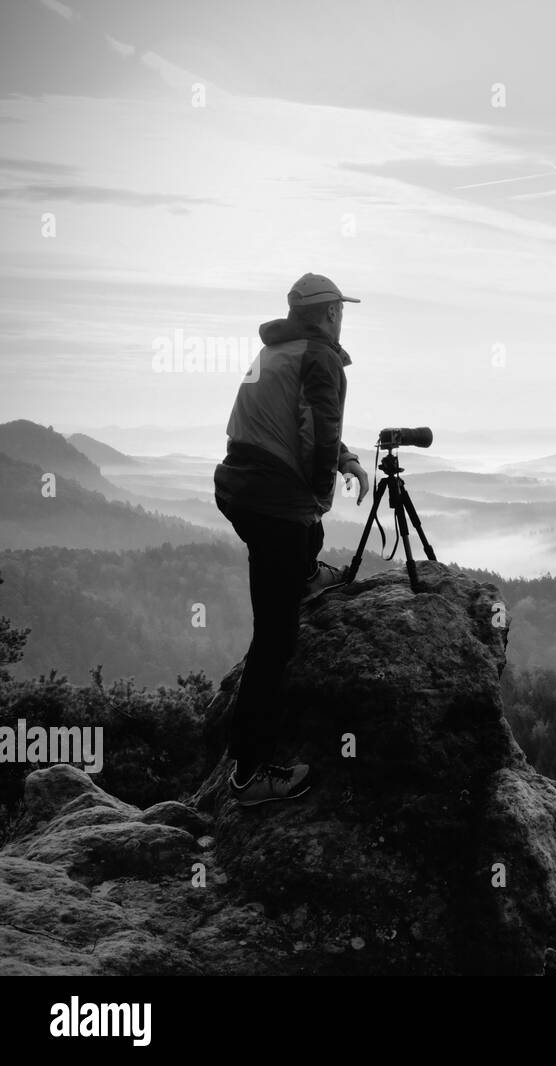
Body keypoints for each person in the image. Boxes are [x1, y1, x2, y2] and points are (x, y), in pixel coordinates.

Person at [213, 273, 370, 807]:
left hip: (238, 486)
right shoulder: (319, 357)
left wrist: (344, 457)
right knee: (275, 640)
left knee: (304, 537)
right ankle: (250, 775)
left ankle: (304, 573)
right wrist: (322, 494)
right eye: (339, 310)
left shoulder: (278, 352)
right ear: (328, 313)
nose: (342, 318)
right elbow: (317, 435)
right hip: (271, 502)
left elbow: (292, 418)